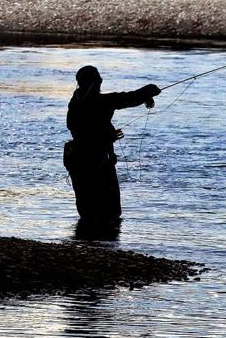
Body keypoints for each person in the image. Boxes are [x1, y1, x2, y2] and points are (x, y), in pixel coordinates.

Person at [64, 65, 160, 225]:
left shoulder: (74, 102)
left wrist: (107, 137)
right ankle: (104, 245)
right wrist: (150, 90)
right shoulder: (101, 102)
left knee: (87, 208)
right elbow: (129, 98)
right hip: (95, 161)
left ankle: (86, 243)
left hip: (76, 160)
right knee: (110, 211)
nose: (101, 82)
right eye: (99, 79)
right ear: (95, 82)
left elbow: (77, 128)